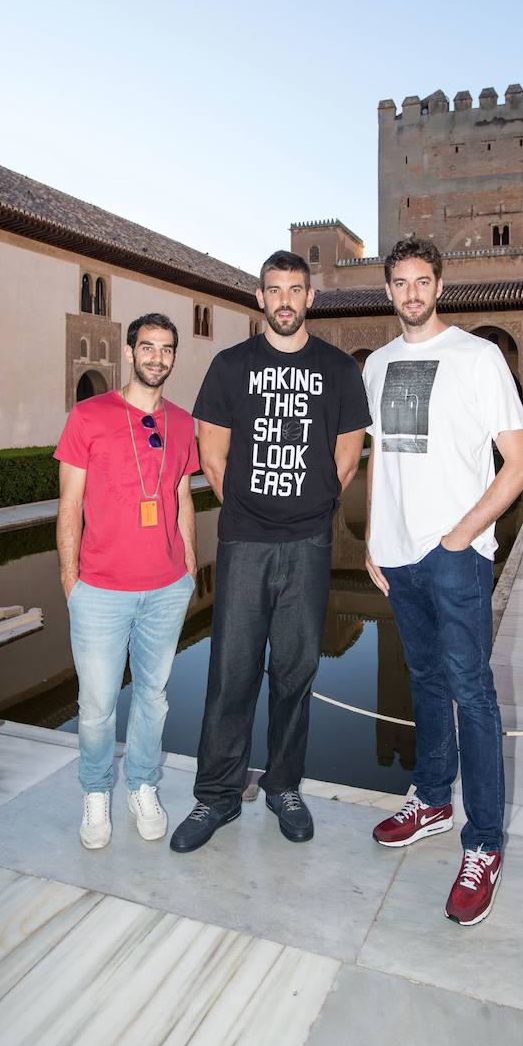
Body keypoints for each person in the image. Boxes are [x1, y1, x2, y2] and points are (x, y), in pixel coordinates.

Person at [170, 251, 370, 852]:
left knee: (295, 671)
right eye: (274, 290)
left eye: (295, 290)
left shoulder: (337, 370)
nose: (284, 300)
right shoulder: (232, 366)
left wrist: (316, 504)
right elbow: (212, 452)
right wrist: (247, 508)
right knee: (231, 672)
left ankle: (285, 786)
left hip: (308, 544)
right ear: (260, 298)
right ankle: (217, 796)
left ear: (309, 298)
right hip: (244, 542)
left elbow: (348, 451)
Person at [363, 238, 523, 925]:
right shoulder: (376, 365)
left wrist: (462, 534)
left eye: (422, 281)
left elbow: (518, 463)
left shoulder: (477, 357)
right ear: (387, 290)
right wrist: (374, 535)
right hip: (398, 554)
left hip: (455, 556)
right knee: (425, 681)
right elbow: (379, 455)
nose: (411, 292)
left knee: (473, 693)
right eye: (400, 282)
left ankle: (484, 842)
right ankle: (432, 800)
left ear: (441, 285)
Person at [55, 312, 198, 850]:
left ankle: (142, 784)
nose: (157, 357)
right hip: (100, 591)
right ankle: (95, 792)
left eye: (166, 349)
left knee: (153, 698)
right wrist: (72, 581)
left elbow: (184, 498)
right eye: (148, 347)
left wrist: (187, 568)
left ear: (173, 357)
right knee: (95, 706)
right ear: (130, 351)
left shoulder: (182, 423)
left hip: (165, 588)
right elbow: (69, 505)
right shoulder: (88, 416)